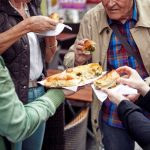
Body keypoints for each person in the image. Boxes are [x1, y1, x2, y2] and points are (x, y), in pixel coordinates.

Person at [64, 0, 150, 149]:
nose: (110, 4)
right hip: (112, 109)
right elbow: (69, 59)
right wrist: (77, 60)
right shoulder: (92, 18)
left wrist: (143, 87)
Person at [0, 0, 59, 150]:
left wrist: (51, 37)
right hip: (12, 97)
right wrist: (27, 26)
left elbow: (47, 58)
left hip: (39, 90)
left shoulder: (32, 6)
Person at [101, 66, 150, 150]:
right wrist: (143, 88)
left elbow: (146, 136)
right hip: (112, 114)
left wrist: (122, 103)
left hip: (142, 111)